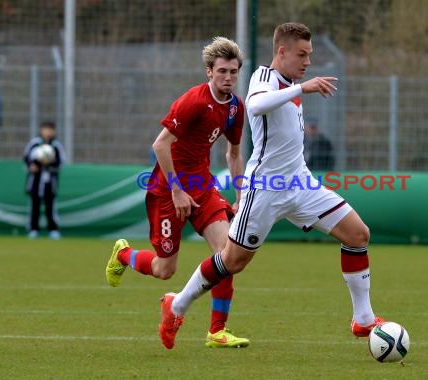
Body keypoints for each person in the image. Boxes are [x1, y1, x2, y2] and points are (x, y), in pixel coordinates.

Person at [158, 22, 384, 350]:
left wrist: (299, 87)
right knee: (233, 261)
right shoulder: (264, 77)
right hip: (265, 188)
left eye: (310, 55)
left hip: (301, 183)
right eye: (301, 54)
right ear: (282, 52)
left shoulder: (290, 82)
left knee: (358, 234)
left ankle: (363, 320)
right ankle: (176, 304)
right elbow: (256, 105)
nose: (307, 61)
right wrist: (302, 89)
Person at [105, 37, 249, 348]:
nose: (228, 77)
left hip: (202, 188)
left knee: (228, 254)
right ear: (209, 71)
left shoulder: (236, 107)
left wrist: (239, 196)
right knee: (164, 269)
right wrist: (177, 190)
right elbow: (160, 145)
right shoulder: (194, 101)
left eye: (234, 72)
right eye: (222, 71)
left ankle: (217, 332)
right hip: (167, 190)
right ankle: (123, 254)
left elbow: (234, 153)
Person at [23, 121, 65, 239]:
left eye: (50, 129)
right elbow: (26, 158)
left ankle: (53, 230)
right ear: (41, 130)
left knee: (50, 208)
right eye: (45, 129)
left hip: (50, 183)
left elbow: (60, 163)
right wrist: (32, 166)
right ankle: (33, 229)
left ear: (53, 131)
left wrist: (49, 164)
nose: (47, 132)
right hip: (35, 182)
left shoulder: (56, 146)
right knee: (34, 206)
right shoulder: (34, 144)